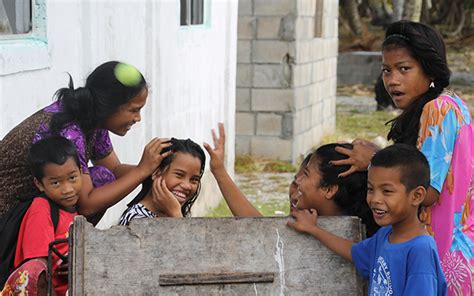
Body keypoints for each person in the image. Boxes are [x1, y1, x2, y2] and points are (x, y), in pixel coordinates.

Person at [331, 21, 473, 294]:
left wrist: (374, 160)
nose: (392, 80)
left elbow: (428, 191)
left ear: (429, 69)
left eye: (404, 69)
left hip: (442, 258)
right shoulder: (452, 104)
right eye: (386, 70)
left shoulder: (438, 110)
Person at [0, 61, 171, 224]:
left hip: (26, 212)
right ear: (109, 105)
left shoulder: (93, 119)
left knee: (104, 176)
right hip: (8, 219)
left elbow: (115, 170)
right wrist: (142, 170)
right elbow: (86, 205)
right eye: (134, 110)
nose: (138, 118)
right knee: (98, 179)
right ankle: (61, 249)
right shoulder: (67, 130)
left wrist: (155, 170)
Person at [288, 144, 447, 295]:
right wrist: (313, 229)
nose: (375, 199)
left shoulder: (420, 249)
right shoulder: (385, 236)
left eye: (387, 191)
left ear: (417, 196)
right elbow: (353, 251)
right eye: (371, 189)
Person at [204, 123, 378, 237]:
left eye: (306, 174)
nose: (298, 183)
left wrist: (375, 157)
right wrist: (219, 171)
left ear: (329, 189)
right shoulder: (302, 222)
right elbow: (258, 225)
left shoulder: (364, 239)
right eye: (296, 179)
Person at [1, 137, 83, 296]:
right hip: (37, 289)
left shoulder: (77, 211)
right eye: (56, 183)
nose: (67, 189)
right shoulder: (41, 208)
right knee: (36, 269)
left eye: (72, 178)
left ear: (81, 172)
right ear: (39, 184)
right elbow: (38, 268)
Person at [119, 138, 206, 225]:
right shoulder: (137, 220)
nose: (187, 186)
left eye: (194, 179)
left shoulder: (173, 214)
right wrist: (175, 214)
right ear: (156, 172)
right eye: (179, 175)